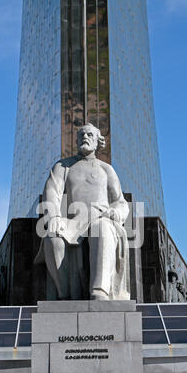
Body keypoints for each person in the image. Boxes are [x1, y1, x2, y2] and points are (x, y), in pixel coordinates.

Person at [35, 123, 130, 301]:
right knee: (52, 236)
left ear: (97, 142)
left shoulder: (106, 169)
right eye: (82, 135)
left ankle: (99, 290)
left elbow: (120, 201)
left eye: (90, 135)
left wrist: (116, 213)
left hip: (101, 218)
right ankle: (65, 293)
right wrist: (54, 216)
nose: (85, 138)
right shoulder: (63, 167)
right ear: (77, 140)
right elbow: (52, 192)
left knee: (101, 229)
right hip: (74, 221)